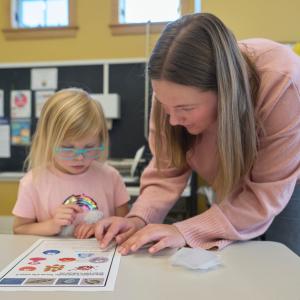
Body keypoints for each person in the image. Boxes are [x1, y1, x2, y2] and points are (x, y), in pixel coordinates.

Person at [95, 13, 300, 255]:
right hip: (240, 185)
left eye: (185, 109)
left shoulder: (282, 81)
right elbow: (165, 172)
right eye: (164, 105)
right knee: (236, 259)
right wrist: (139, 219)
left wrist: (183, 231)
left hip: (288, 180)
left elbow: (263, 195)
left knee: (284, 258)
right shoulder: (171, 90)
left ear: (224, 92)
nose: (172, 120)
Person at [13, 88, 129, 238]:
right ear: (47, 142)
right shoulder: (32, 183)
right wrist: (51, 225)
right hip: (52, 259)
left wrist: (102, 228)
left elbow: (125, 224)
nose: (79, 158)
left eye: (89, 147)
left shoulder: (111, 177)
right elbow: (19, 229)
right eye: (67, 148)